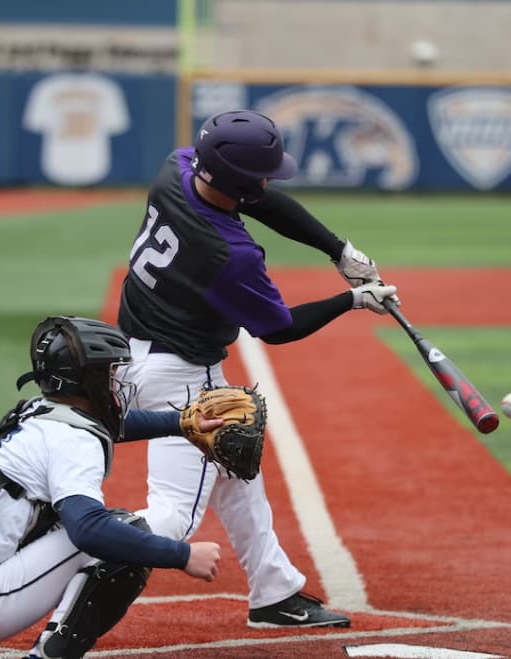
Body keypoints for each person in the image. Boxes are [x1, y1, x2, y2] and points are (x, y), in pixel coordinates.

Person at [116, 109, 400, 628]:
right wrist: (353, 300)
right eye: (263, 173)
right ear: (239, 183)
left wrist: (337, 249)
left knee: (237, 470)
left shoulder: (175, 169)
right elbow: (279, 328)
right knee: (172, 517)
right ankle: (65, 549)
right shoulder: (230, 254)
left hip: (133, 353)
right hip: (183, 376)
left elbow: (257, 196)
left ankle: (274, 591)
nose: (270, 180)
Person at [0, 316, 223, 659]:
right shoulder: (74, 441)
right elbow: (89, 530)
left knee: (52, 517)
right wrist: (182, 556)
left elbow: (110, 426)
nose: (117, 381)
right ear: (87, 380)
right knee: (121, 531)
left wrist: (182, 422)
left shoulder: (38, 411)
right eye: (109, 373)